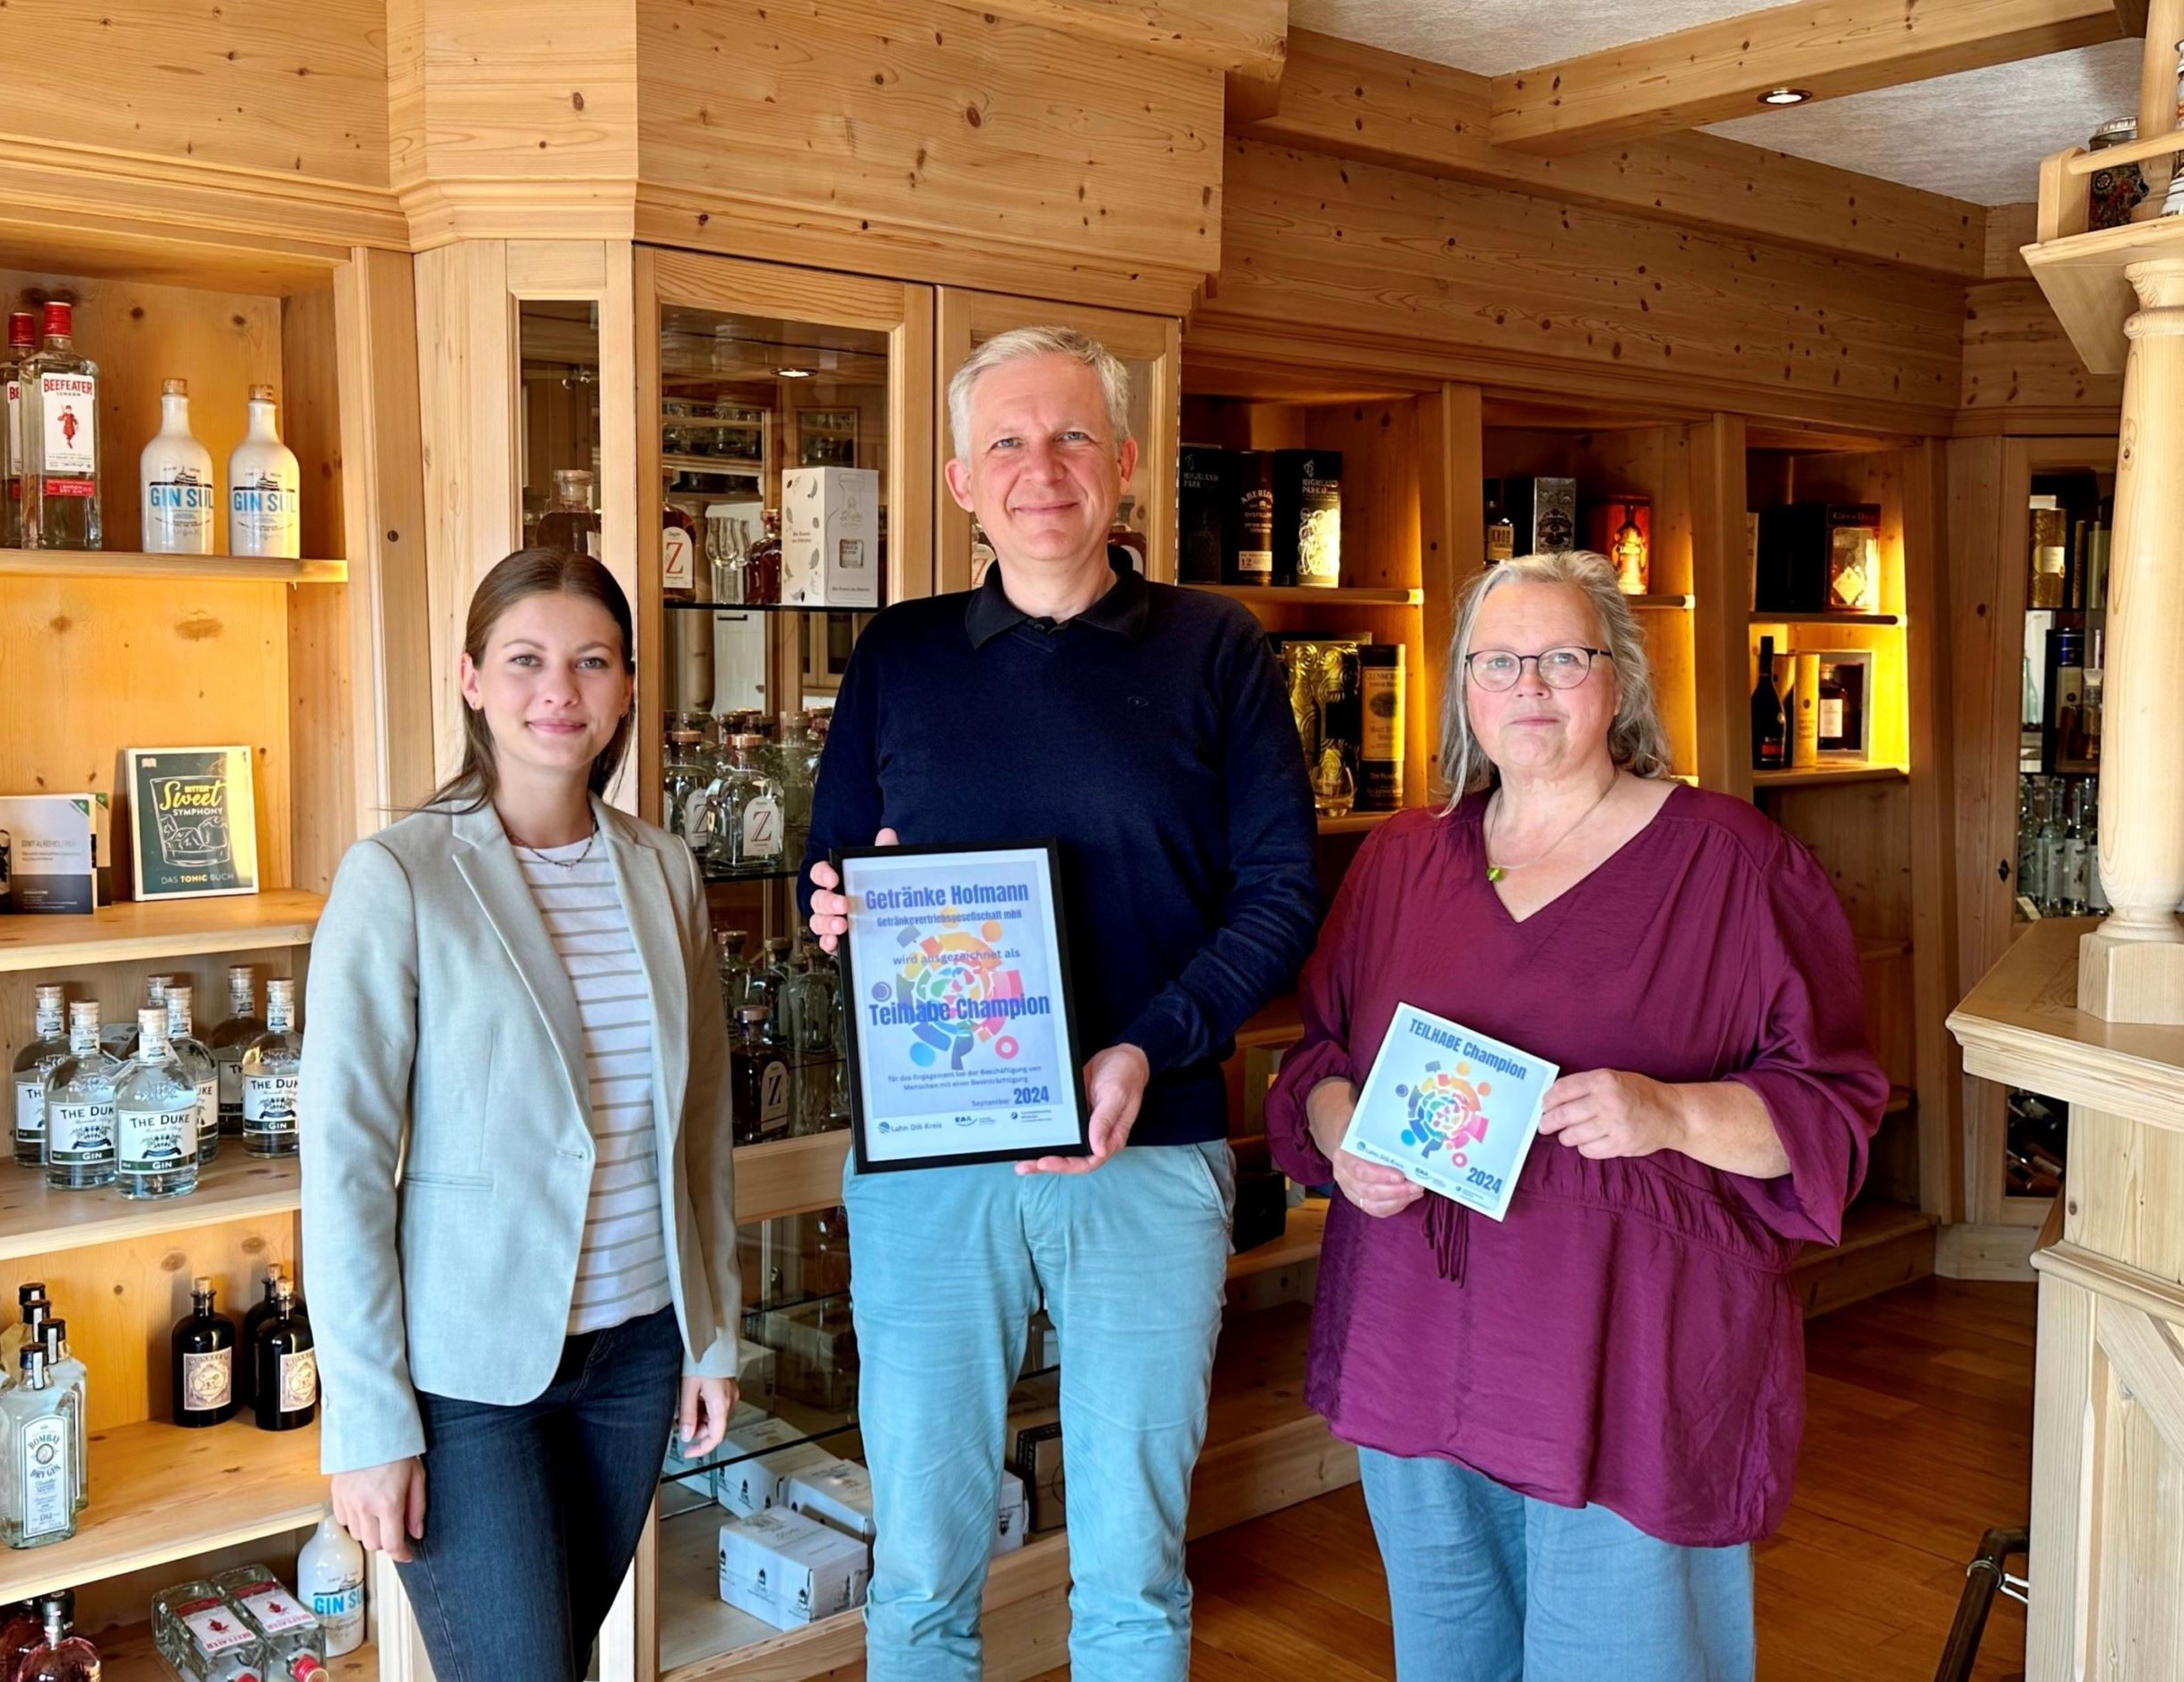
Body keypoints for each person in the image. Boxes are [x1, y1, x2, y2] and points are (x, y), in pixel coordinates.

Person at [799, 325, 1319, 1680]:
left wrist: (1145, 1045)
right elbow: (835, 878)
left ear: (1126, 466)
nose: (1045, 467)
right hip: (927, 1161)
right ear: (964, 480)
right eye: (1011, 442)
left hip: (1150, 1148)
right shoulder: (898, 656)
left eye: (1075, 435)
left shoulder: (1220, 650)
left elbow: (1278, 897)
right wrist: (840, 914)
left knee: (1134, 1570)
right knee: (917, 1566)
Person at [1266, 550, 1888, 1682]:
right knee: (1449, 1651)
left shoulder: (1732, 864)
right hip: (1417, 1341)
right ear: (1463, 689)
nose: (1529, 688)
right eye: (1497, 663)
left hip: (1625, 1354)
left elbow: (1835, 1106)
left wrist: (1674, 1112)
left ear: (1619, 682)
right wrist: (1340, 1123)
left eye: (1562, 657)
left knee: (1627, 1655)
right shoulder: (1401, 860)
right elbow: (1316, 1057)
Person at [300, 548, 740, 1682]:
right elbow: (343, 1161)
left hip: (638, 1353)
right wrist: (366, 1423)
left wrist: (711, 1330)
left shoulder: (665, 867)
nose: (560, 690)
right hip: (465, 1378)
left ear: (628, 687)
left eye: (592, 662)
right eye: (527, 660)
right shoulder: (397, 875)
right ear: (471, 678)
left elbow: (699, 1126)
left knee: (559, 1661)